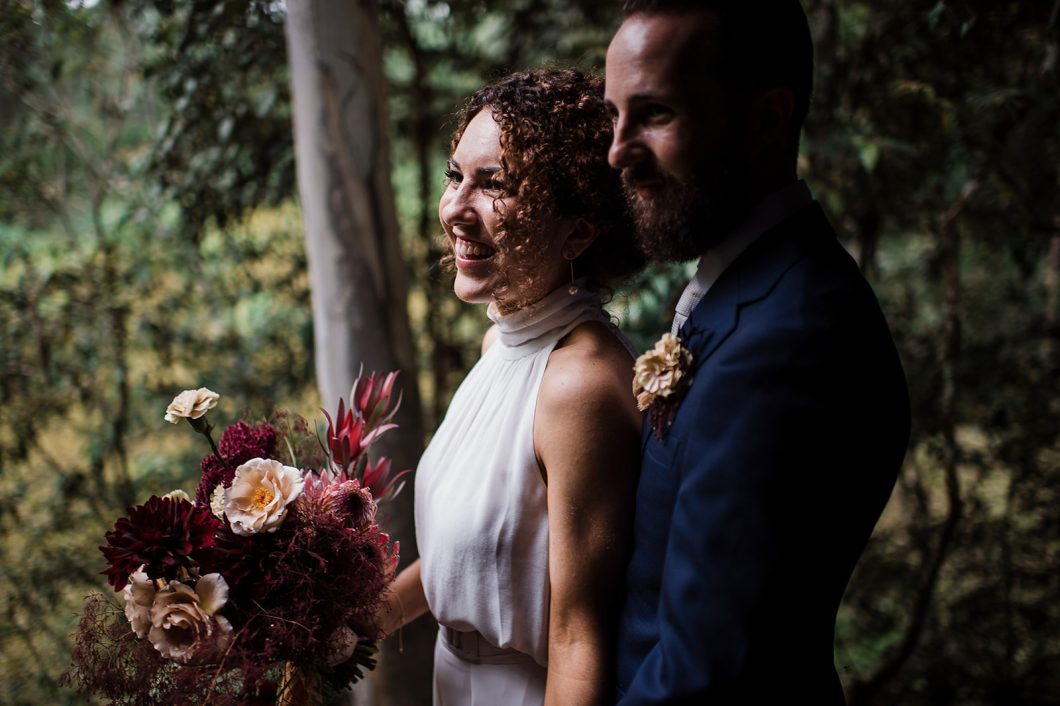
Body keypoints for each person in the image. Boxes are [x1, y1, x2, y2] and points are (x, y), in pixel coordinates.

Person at [604, 1, 911, 703]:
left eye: (654, 114)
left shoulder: (788, 341)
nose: (616, 151)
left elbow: (702, 678)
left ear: (768, 117)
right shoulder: (747, 290)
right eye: (612, 116)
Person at [379, 68, 645, 706]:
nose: (455, 209)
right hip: (454, 681)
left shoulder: (579, 385)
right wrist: (327, 624)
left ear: (577, 230)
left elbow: (580, 636)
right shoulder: (499, 343)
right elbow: (466, 564)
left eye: (493, 185)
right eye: (454, 176)